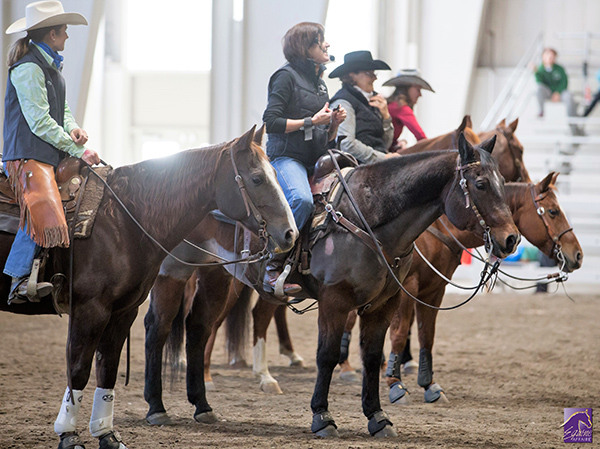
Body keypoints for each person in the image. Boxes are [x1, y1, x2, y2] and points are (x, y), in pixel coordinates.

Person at [3, 1, 101, 305]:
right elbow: (40, 121)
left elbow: (63, 110)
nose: (68, 37)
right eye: (65, 32)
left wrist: (73, 128)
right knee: (42, 205)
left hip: (47, 155)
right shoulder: (29, 68)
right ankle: (19, 280)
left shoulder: (51, 67)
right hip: (25, 156)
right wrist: (77, 149)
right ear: (52, 34)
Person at [262, 22, 346, 296]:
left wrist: (332, 124)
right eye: (321, 40)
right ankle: (273, 266)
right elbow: (271, 121)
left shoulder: (320, 83)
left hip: (315, 159)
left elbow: (322, 132)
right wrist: (311, 120)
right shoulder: (284, 77)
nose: (327, 45)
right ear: (306, 47)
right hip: (287, 158)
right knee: (302, 200)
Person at [329, 50, 397, 164]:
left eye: (374, 73)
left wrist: (386, 117)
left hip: (375, 162)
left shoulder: (373, 99)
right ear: (353, 76)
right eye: (369, 74)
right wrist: (383, 158)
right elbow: (346, 144)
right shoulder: (343, 101)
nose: (375, 78)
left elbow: (385, 143)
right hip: (356, 166)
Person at [383, 69, 435, 151]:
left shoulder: (392, 105)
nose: (420, 95)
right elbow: (421, 137)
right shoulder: (402, 108)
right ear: (407, 88)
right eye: (418, 90)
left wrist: (400, 142)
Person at [534, 47, 580, 134]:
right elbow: (539, 82)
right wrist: (535, 72)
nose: (550, 57)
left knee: (569, 96)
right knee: (538, 89)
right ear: (543, 56)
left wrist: (557, 92)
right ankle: (541, 111)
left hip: (560, 92)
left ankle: (571, 120)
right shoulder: (540, 69)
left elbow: (564, 82)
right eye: (548, 55)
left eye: (552, 56)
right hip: (548, 92)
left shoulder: (559, 69)